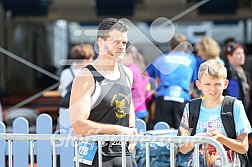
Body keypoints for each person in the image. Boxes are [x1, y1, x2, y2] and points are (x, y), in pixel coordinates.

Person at [69, 18, 138, 167]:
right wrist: (116, 130)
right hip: (95, 157)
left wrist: (131, 129)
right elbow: (78, 126)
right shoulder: (86, 76)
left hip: (122, 154)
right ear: (101, 42)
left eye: (124, 43)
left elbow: (129, 107)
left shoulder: (127, 73)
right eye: (116, 42)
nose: (121, 47)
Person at [178, 59, 252, 166]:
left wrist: (221, 139)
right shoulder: (191, 108)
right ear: (198, 85)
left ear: (225, 84)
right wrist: (200, 138)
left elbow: (244, 147)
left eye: (217, 84)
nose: (212, 89)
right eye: (207, 84)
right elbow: (183, 148)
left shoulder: (235, 106)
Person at [153, 34, 198, 129]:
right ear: (185, 47)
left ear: (170, 46)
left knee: (161, 132)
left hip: (163, 97)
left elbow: (157, 81)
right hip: (183, 97)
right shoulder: (192, 60)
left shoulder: (161, 59)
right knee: (182, 132)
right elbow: (191, 83)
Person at [58, 44, 95, 110]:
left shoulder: (65, 72)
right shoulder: (88, 73)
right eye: (90, 58)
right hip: (80, 109)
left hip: (65, 108)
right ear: (85, 59)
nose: (92, 60)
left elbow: (62, 89)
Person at [120, 45, 151, 120]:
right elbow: (148, 94)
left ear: (129, 55)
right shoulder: (143, 72)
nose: (120, 59)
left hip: (133, 110)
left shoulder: (128, 71)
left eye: (122, 56)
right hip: (142, 109)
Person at [223, 42, 251, 114]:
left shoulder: (245, 72)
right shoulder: (226, 73)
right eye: (238, 54)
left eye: (242, 53)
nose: (242, 56)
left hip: (246, 111)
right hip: (232, 112)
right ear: (229, 56)